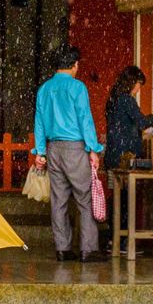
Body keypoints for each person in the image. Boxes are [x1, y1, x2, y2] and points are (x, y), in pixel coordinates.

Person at [32, 46, 105, 261]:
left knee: (59, 200)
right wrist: (93, 148)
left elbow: (39, 122)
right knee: (84, 199)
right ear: (74, 65)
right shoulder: (77, 87)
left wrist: (40, 151)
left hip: (53, 148)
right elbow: (85, 119)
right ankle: (88, 249)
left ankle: (62, 248)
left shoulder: (44, 89)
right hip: (75, 148)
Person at [103, 65, 148, 170]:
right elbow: (142, 123)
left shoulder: (113, 98)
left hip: (112, 154)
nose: (139, 89)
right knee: (128, 186)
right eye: (139, 84)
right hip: (125, 158)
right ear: (132, 82)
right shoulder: (127, 100)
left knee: (114, 185)